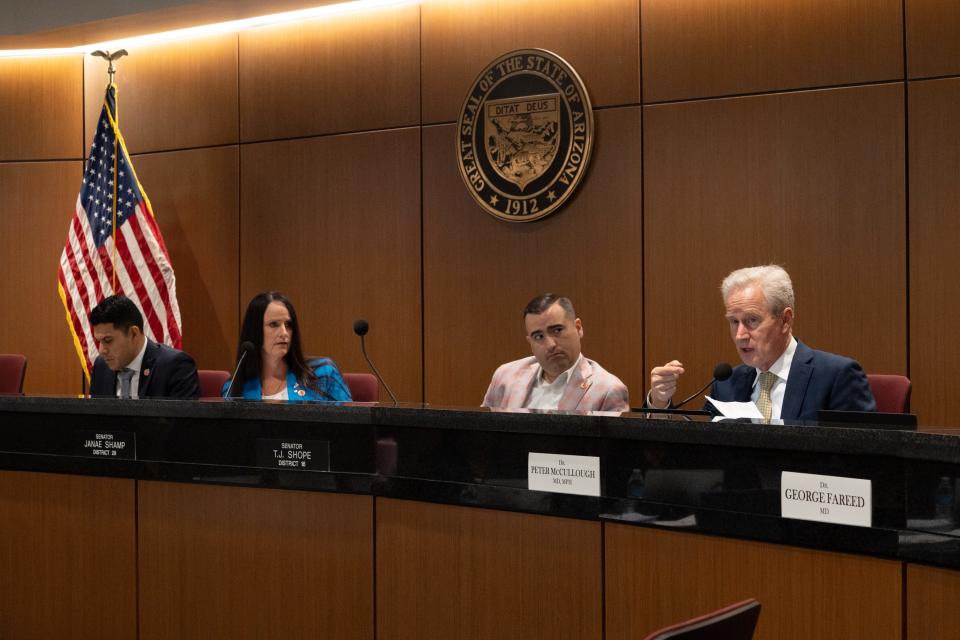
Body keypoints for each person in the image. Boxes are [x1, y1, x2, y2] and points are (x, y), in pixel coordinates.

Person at [648, 265, 876, 420]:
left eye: (752, 320)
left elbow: (861, 459)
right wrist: (660, 403)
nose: (740, 335)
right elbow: (695, 452)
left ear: (785, 320)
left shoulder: (836, 376)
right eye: (734, 322)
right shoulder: (727, 383)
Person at [482, 293, 629, 412]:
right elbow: (483, 436)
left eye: (557, 330)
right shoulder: (505, 376)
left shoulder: (608, 390)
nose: (550, 344)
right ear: (530, 343)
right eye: (539, 337)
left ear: (578, 328)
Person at [223, 292, 351, 401]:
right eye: (274, 324)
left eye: (288, 325)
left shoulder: (323, 374)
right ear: (255, 331)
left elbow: (351, 423)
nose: (284, 333)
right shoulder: (235, 387)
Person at [89, 294, 200, 399]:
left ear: (134, 333)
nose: (101, 351)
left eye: (108, 340)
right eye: (99, 341)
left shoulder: (175, 366)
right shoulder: (101, 366)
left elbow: (181, 419)